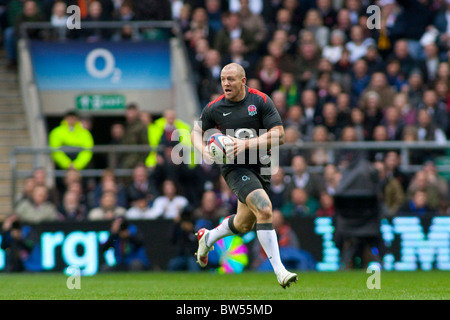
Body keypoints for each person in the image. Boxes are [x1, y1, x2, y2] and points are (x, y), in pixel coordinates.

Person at [191, 63, 297, 288]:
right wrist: (205, 152)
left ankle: (208, 237)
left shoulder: (260, 101)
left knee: (243, 224)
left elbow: (280, 135)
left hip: (262, 167)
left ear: (243, 80)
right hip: (235, 168)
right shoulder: (214, 108)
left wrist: (245, 144)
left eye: (230, 79)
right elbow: (195, 133)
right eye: (222, 79)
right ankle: (280, 271)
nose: (226, 84)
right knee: (265, 208)